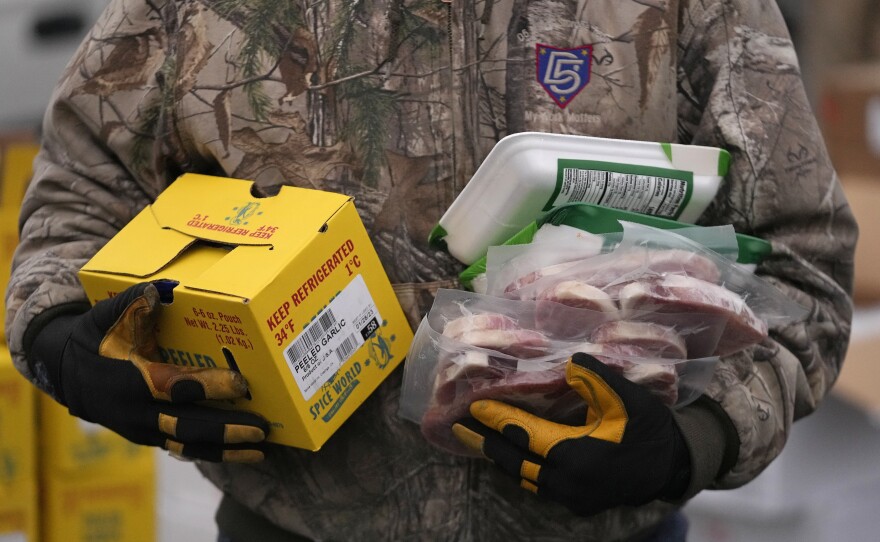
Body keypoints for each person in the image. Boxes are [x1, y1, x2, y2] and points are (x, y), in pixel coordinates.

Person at [4, 0, 857, 540]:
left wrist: (688, 443)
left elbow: (800, 263)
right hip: (288, 526)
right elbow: (79, 195)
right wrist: (65, 341)